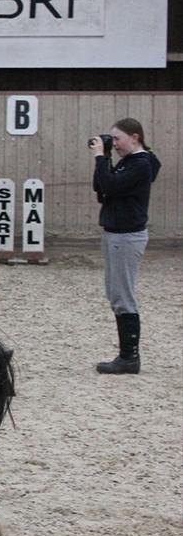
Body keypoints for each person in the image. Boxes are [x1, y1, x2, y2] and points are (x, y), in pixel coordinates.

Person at [90, 118, 161, 375]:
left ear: (135, 137)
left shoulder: (141, 164)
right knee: (115, 293)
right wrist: (105, 158)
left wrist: (100, 157)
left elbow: (109, 185)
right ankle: (127, 356)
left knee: (123, 296)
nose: (115, 144)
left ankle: (129, 357)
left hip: (126, 236)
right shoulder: (129, 163)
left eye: (117, 139)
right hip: (116, 234)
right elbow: (101, 186)